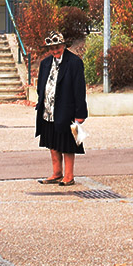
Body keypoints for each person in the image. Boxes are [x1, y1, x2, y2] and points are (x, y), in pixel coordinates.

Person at [35, 30, 88, 187]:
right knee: (52, 142)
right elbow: (40, 86)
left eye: (57, 47)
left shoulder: (74, 62)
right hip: (48, 110)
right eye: (52, 48)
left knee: (68, 144)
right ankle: (57, 173)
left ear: (64, 45)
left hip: (67, 111)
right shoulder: (45, 63)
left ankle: (69, 176)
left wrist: (80, 113)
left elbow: (80, 90)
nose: (55, 51)